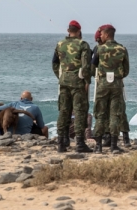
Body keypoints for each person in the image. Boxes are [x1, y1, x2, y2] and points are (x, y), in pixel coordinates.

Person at [52, 20, 92, 153]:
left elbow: (54, 64)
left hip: (64, 82)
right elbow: (86, 66)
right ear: (79, 31)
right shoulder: (83, 45)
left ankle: (61, 143)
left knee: (64, 111)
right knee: (79, 111)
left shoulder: (59, 44)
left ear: (68, 30)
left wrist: (62, 77)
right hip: (78, 83)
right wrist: (86, 81)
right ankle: (80, 143)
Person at [92, 24, 129, 154]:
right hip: (117, 84)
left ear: (106, 35)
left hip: (102, 84)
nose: (100, 36)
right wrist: (117, 77)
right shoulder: (122, 49)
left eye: (101, 34)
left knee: (100, 114)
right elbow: (126, 71)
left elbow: (93, 67)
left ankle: (98, 146)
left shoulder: (99, 49)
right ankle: (114, 145)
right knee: (115, 114)